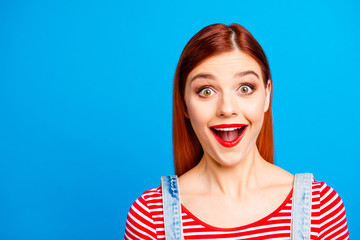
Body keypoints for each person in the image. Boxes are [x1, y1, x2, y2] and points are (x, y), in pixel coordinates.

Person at [124, 23, 349, 239]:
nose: (227, 109)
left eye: (245, 88)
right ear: (184, 104)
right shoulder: (151, 216)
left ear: (267, 95)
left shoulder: (320, 208)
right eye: (206, 91)